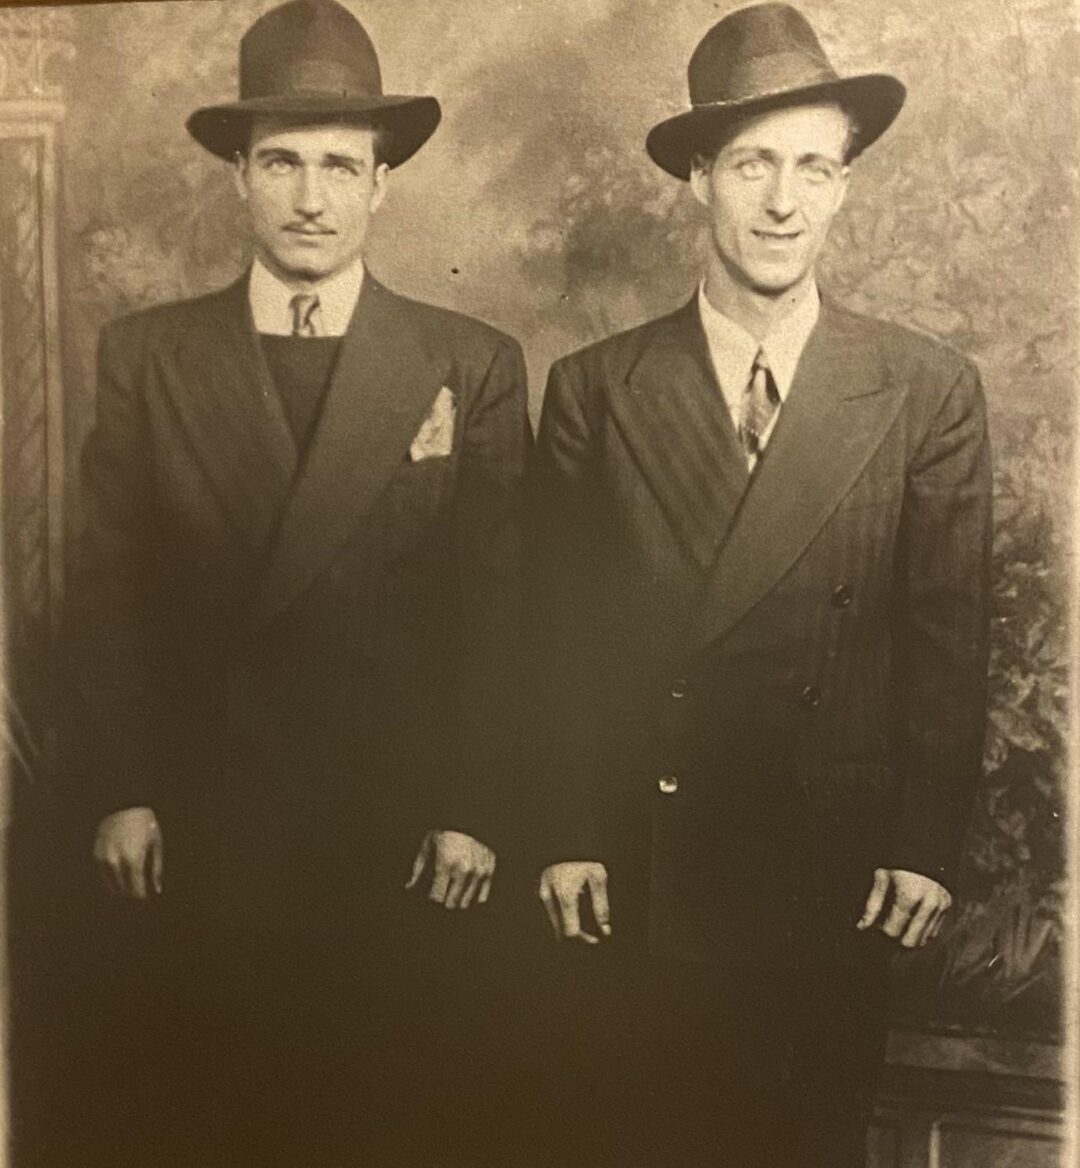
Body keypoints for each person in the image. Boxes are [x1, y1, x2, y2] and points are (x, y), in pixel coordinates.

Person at [65, 1, 528, 1163]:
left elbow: (498, 610)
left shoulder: (467, 364)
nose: (311, 195)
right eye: (281, 161)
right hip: (202, 830)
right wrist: (122, 786)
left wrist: (475, 806)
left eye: (339, 163)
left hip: (396, 841)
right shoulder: (149, 356)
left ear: (383, 183)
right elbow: (107, 595)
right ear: (238, 177)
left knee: (376, 1125)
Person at [529, 4, 992, 1165]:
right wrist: (568, 831)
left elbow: (947, 634)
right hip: (646, 869)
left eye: (814, 167)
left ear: (842, 188)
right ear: (698, 177)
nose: (784, 200)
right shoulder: (596, 387)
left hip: (834, 871)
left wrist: (928, 840)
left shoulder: (925, 389)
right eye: (753, 164)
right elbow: (558, 639)